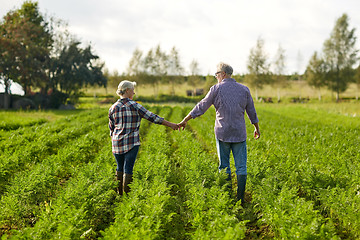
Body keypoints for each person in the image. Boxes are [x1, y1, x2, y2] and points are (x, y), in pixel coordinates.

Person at [178, 62, 260, 204]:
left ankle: (227, 197)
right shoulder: (244, 89)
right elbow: (251, 111)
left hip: (222, 132)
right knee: (241, 167)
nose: (216, 77)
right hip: (239, 133)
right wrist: (256, 128)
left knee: (224, 166)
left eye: (216, 74)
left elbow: (201, 106)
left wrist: (186, 119)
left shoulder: (216, 89)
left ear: (223, 74)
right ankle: (240, 198)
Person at [109, 80, 179, 195]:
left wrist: (115, 139)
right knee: (128, 169)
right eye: (132, 90)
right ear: (127, 91)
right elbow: (153, 118)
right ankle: (127, 197)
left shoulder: (113, 108)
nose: (134, 93)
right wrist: (171, 125)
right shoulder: (135, 106)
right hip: (131, 142)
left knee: (119, 168)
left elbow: (111, 128)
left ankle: (119, 195)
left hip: (117, 143)